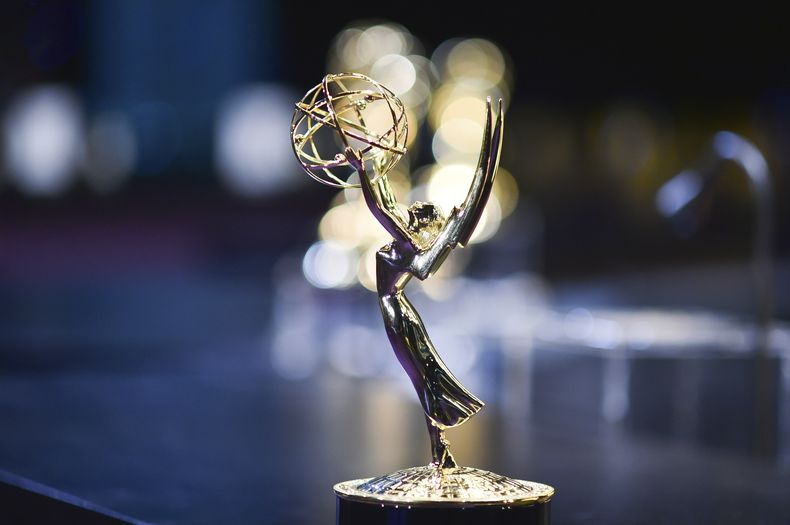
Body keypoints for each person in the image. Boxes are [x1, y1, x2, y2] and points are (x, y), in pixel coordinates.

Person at [344, 98, 504, 469]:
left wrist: (363, 172)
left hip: (397, 314)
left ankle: (440, 449)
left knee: (423, 380)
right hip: (398, 311)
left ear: (420, 225)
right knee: (423, 379)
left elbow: (378, 208)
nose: (413, 209)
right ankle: (440, 449)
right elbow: (385, 199)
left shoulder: (410, 247)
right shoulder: (407, 239)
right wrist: (374, 164)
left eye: (419, 213)